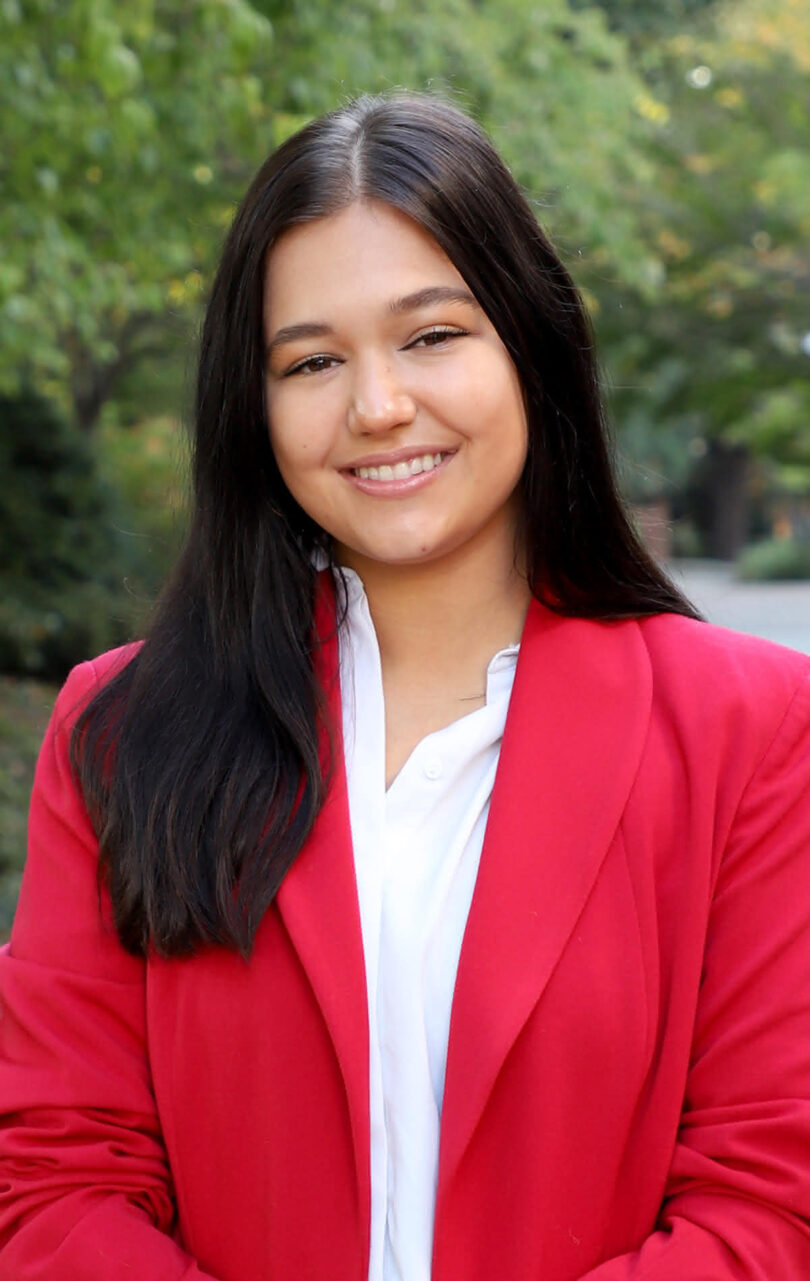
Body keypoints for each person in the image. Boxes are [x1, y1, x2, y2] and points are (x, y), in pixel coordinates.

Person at [1, 91, 810, 1281]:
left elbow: (770, 1203)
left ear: (530, 344)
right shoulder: (124, 734)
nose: (378, 407)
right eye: (313, 360)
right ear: (257, 406)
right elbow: (54, 1181)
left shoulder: (749, 730)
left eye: (432, 335)